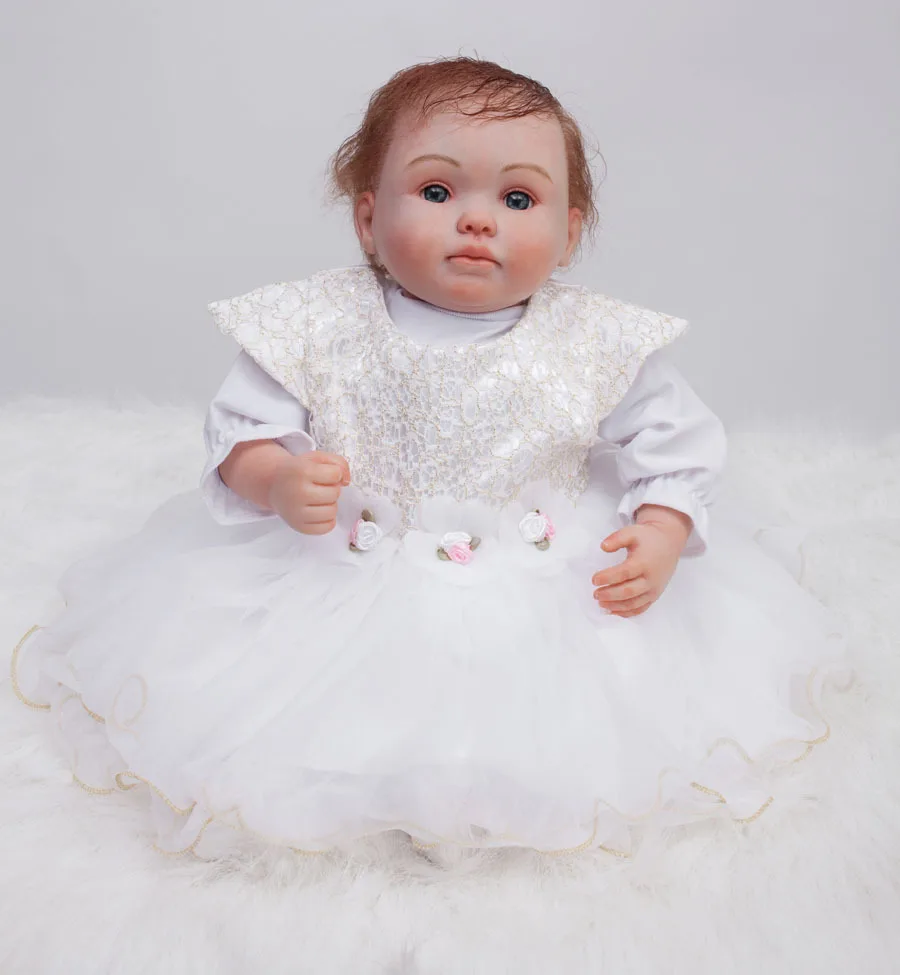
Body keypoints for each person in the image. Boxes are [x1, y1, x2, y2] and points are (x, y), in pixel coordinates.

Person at [11, 57, 850, 862]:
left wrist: (662, 531)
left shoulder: (597, 340)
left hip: (545, 575)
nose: (477, 220)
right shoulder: (317, 324)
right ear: (367, 220)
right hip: (345, 575)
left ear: (568, 232)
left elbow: (678, 441)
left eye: (518, 198)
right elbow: (241, 433)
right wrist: (276, 478)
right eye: (438, 191)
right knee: (327, 714)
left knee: (548, 715)